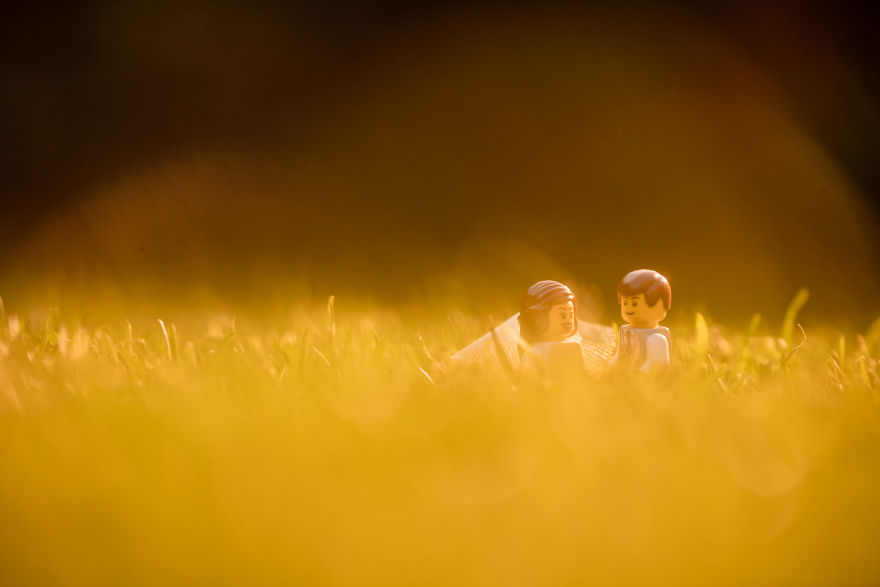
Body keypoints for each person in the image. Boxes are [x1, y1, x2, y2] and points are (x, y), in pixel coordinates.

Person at [612, 269, 671, 373]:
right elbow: (620, 355)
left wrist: (638, 376)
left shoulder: (656, 338)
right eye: (625, 302)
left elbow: (657, 365)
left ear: (660, 306)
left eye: (634, 303)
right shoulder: (625, 331)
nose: (628, 308)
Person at [518, 280, 582, 372]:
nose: (568, 320)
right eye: (562, 315)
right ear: (539, 317)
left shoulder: (575, 346)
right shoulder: (535, 353)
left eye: (571, 314)